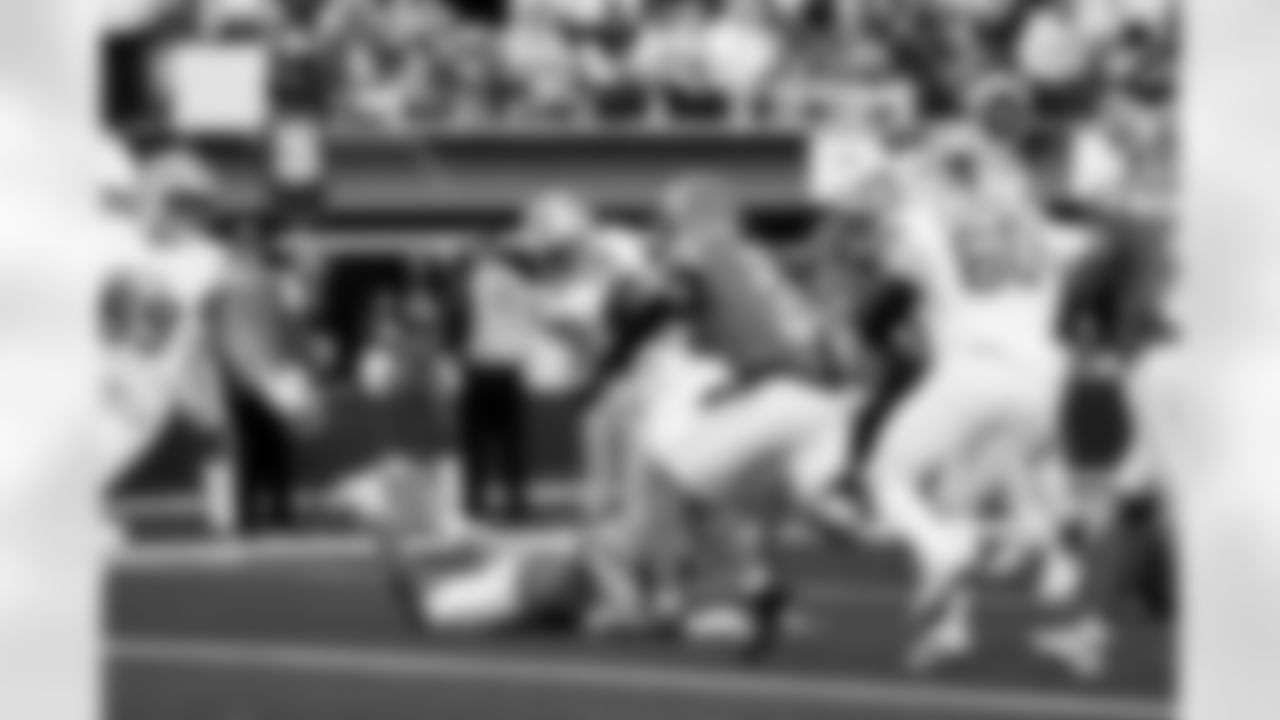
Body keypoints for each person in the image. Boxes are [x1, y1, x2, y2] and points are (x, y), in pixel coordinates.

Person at [861, 127, 1092, 671]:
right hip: (1043, 389)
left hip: (973, 375)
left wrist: (905, 189)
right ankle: (955, 625)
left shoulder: (929, 226)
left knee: (887, 478)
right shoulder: (1048, 234)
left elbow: (882, 296)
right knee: (954, 500)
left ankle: (954, 558)